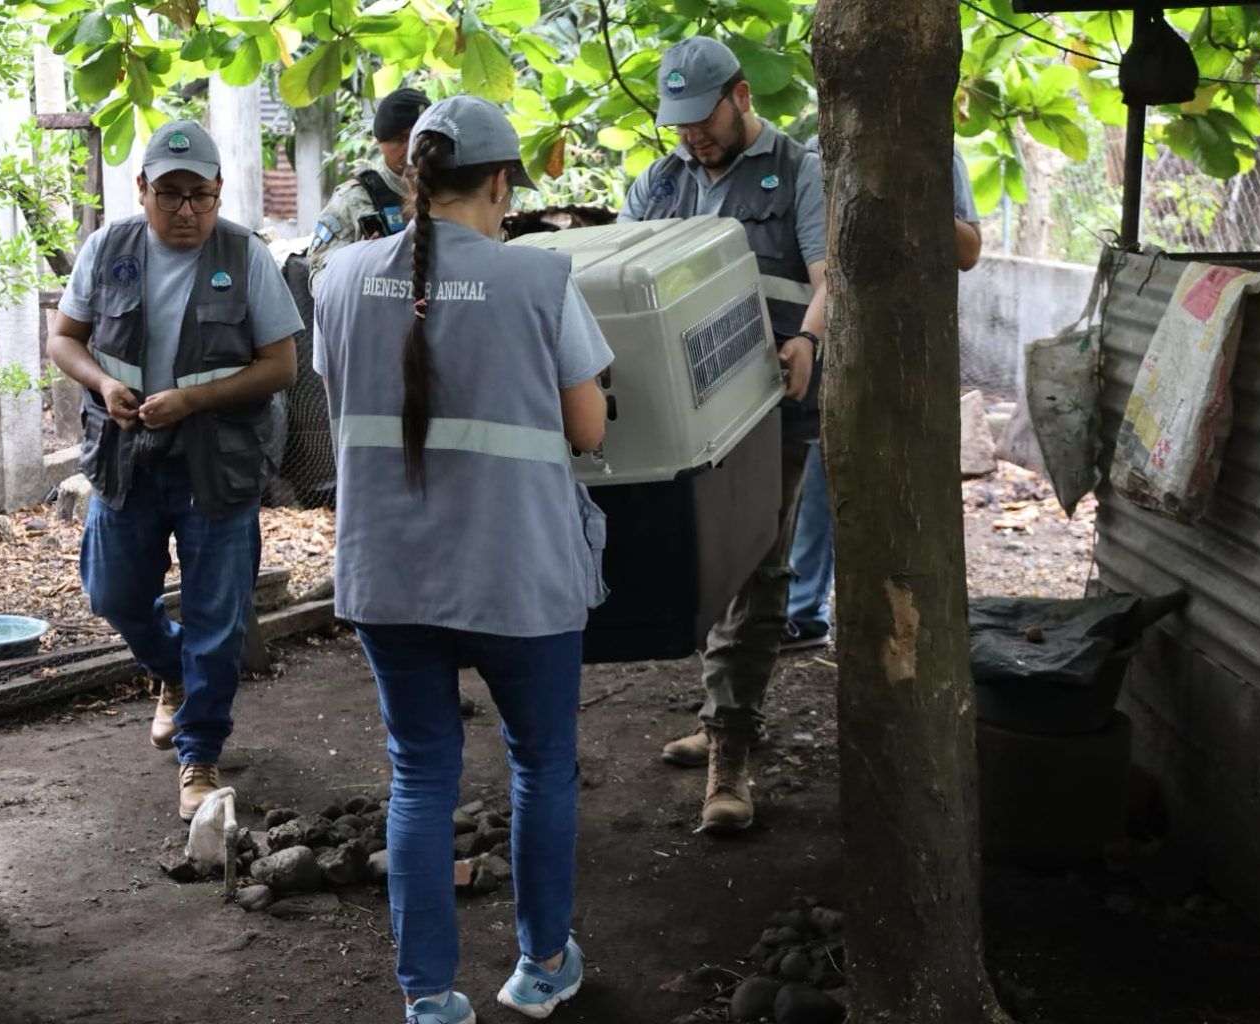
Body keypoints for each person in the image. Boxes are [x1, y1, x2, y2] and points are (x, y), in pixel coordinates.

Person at [313, 96, 612, 1024]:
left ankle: (431, 998)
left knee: (421, 773)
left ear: (413, 177)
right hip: (517, 575)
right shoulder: (541, 281)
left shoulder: (337, 277)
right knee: (540, 764)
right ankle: (540, 968)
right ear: (498, 182)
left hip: (388, 575)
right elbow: (588, 427)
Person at [49, 120, 302, 821]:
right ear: (142, 190)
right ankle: (171, 673)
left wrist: (194, 399)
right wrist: (103, 386)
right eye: (170, 194)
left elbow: (280, 366)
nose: (186, 210)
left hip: (216, 462)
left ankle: (199, 755)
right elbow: (64, 339)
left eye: (201, 195)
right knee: (112, 594)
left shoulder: (245, 256)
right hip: (126, 455)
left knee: (217, 618)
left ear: (218, 193)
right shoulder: (108, 249)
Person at [619, 36, 827, 834]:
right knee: (698, 565)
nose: (690, 137)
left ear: (741, 96)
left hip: (772, 408)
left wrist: (808, 338)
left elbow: (826, 275)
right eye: (677, 124)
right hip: (680, 422)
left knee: (762, 571)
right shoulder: (657, 182)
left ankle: (731, 752)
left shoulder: (799, 170)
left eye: (701, 119)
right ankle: (716, 715)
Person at [780, 142, 985, 651]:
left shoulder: (936, 154)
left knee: (900, 492)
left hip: (906, 352)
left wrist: (907, 189)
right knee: (817, 487)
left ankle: (902, 626)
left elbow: (968, 251)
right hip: (829, 342)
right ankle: (803, 613)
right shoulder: (811, 153)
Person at [305, 86, 431, 297]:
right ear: (380, 143)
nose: (411, 149)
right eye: (401, 139)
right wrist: (357, 264)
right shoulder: (353, 199)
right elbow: (319, 280)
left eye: (419, 138)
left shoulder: (451, 191)